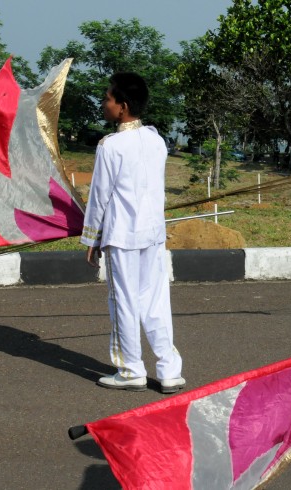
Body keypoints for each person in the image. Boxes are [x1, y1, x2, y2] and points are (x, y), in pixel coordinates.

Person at [81, 72, 184, 394]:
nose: (103, 104)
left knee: (123, 302)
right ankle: (169, 371)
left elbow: (100, 195)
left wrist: (91, 238)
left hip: (122, 235)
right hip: (153, 232)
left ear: (122, 107)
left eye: (107, 99)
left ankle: (130, 370)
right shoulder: (156, 140)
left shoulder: (110, 146)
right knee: (156, 301)